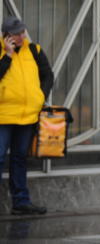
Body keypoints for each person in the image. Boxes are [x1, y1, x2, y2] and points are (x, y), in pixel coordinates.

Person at [0, 16, 53, 215]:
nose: (22, 36)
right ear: (7, 36)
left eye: (23, 32)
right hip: (3, 116)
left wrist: (41, 96)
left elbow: (48, 75)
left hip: (28, 116)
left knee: (20, 158)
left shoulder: (34, 50)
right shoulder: (2, 51)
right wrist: (7, 55)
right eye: (17, 34)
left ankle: (21, 202)